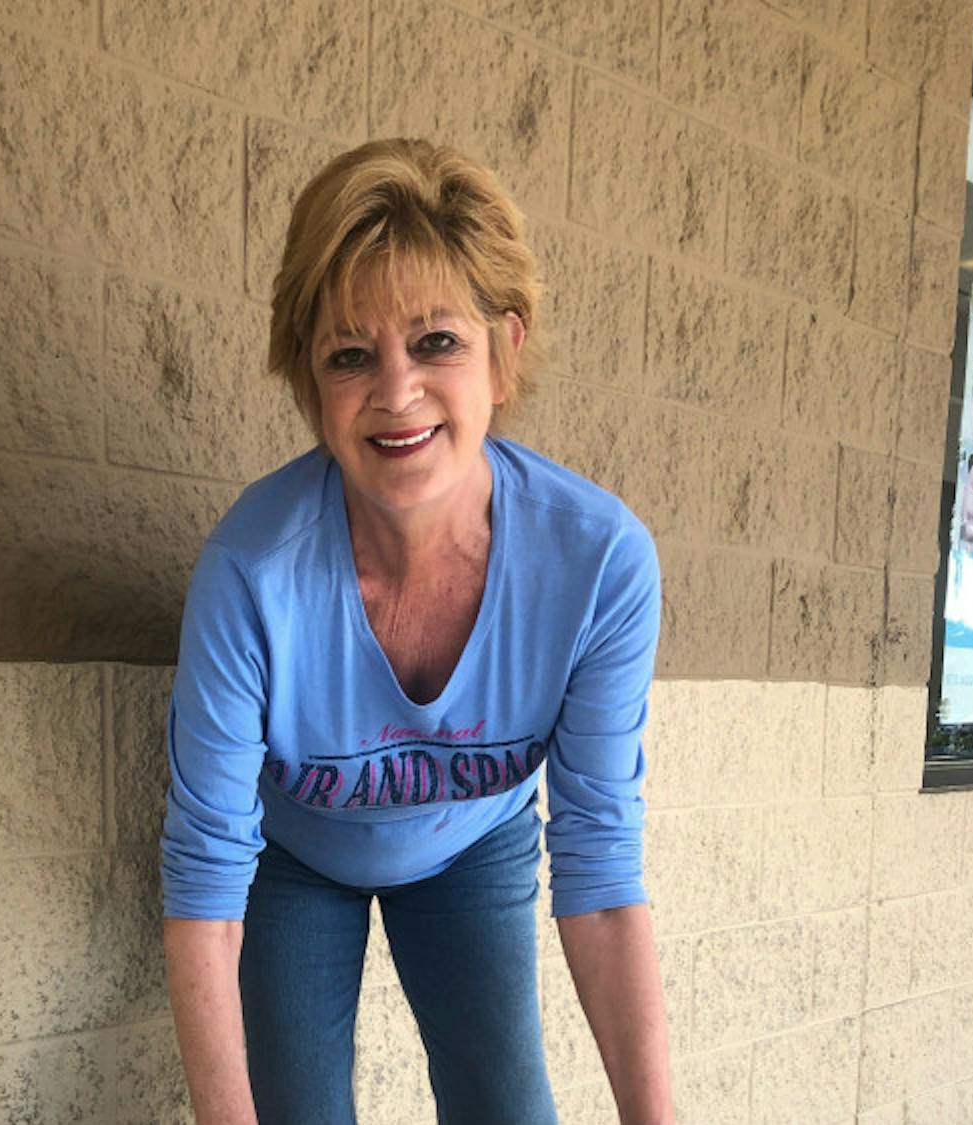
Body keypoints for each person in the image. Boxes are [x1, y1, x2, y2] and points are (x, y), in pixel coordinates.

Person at [160, 137, 673, 1125]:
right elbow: (205, 898)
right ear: (311, 383)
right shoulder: (251, 575)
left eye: (436, 341)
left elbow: (604, 876)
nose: (396, 394)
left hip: (471, 847)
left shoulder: (598, 563)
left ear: (504, 350)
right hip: (291, 860)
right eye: (352, 355)